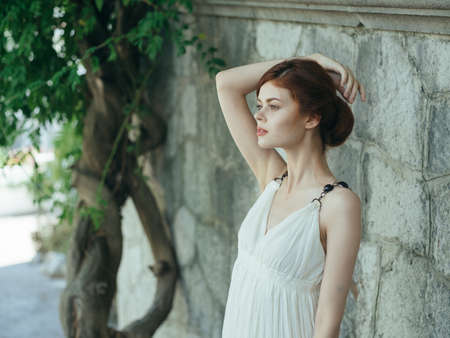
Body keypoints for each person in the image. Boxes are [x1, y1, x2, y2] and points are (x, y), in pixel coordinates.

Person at [215, 53, 366, 338]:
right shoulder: (272, 177)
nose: (259, 115)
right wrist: (307, 61)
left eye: (273, 106)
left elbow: (326, 324)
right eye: (259, 105)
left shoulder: (338, 205)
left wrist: (304, 69)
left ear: (311, 117)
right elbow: (226, 84)